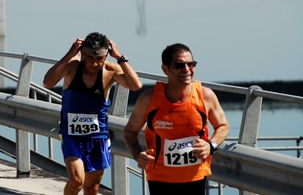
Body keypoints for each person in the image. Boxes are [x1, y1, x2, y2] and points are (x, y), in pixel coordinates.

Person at [43, 32, 142, 195]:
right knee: (76, 181)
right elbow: (48, 82)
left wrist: (119, 57)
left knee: (92, 187)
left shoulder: (110, 70)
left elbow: (136, 85)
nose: (94, 64)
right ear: (82, 53)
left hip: (98, 135)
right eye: (90, 58)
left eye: (99, 59)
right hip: (71, 134)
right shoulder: (72, 66)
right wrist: (70, 53)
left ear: (105, 56)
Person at [123, 43, 230, 194]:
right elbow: (129, 131)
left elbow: (223, 126)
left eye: (191, 64)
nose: (186, 70)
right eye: (179, 65)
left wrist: (210, 146)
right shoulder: (149, 98)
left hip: (195, 177)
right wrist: (136, 154)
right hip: (159, 178)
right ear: (165, 69)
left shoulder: (205, 96)